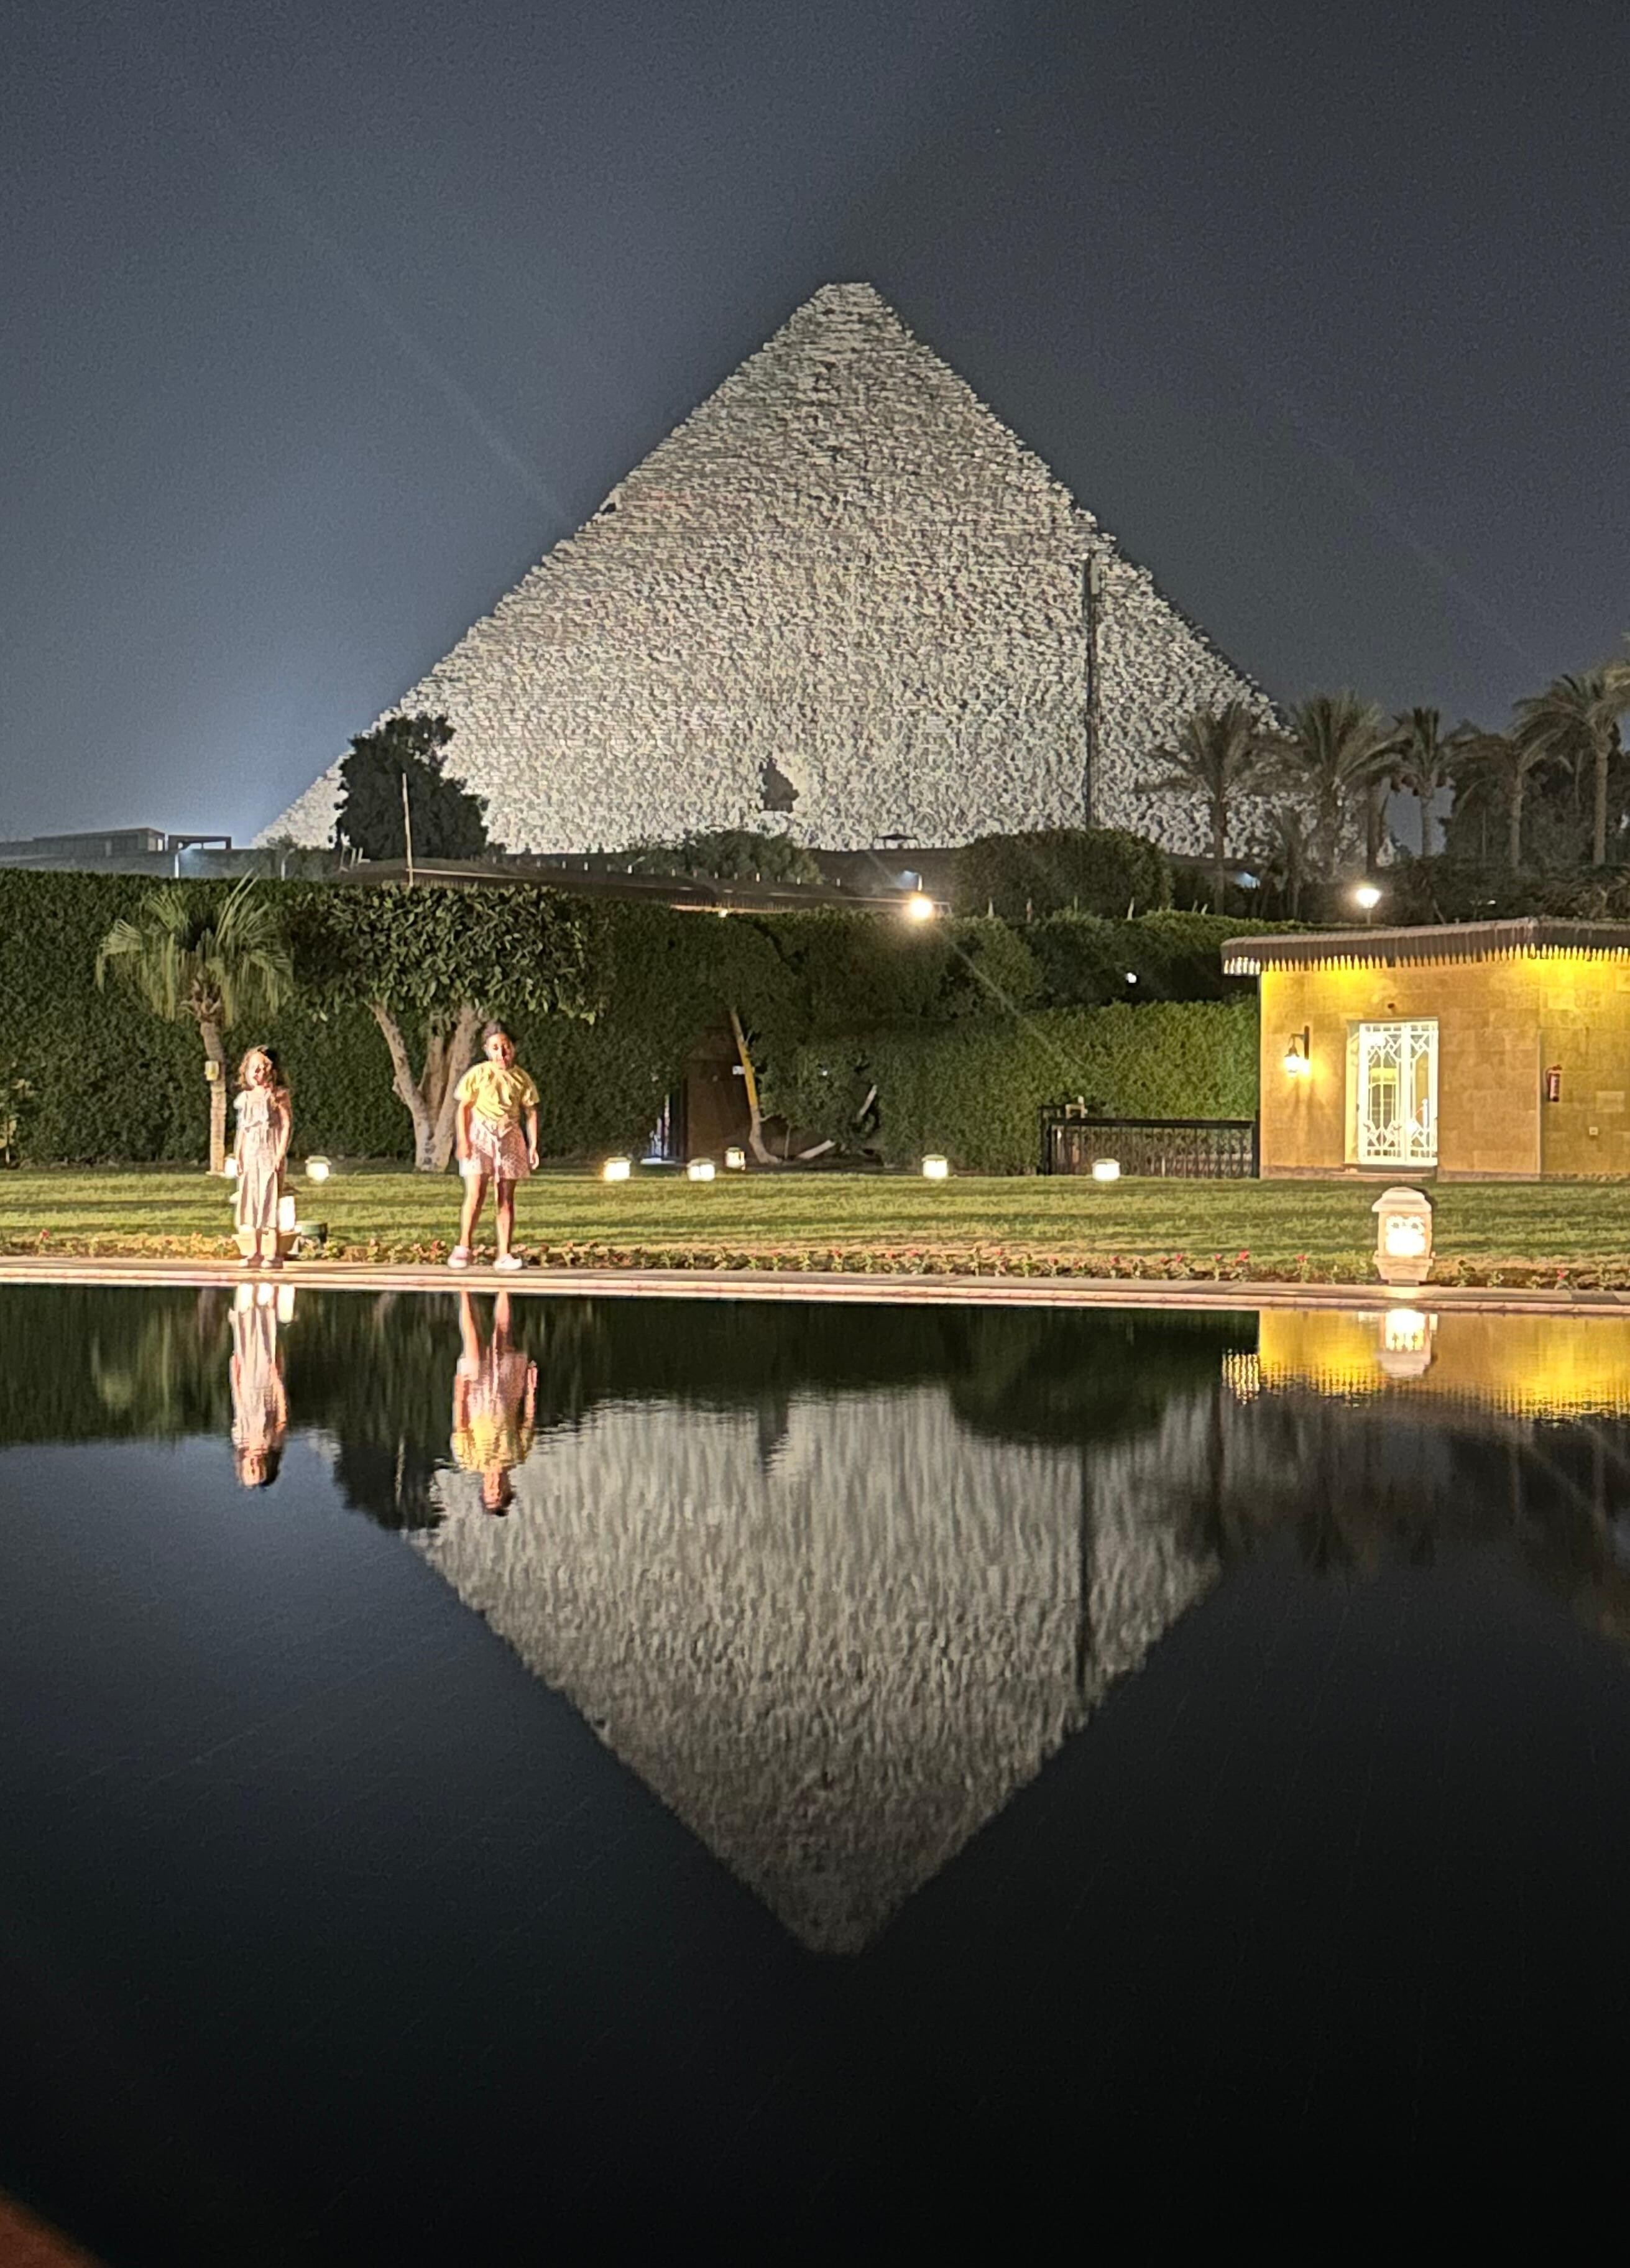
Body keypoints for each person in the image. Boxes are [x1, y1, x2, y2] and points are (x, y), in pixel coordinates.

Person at [449, 1021, 539, 1270]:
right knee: (476, 1193)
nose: (502, 1053)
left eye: (506, 1046)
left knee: (506, 1198)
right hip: (480, 1135)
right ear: (487, 1050)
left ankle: (504, 1254)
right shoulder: (479, 1074)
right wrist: (464, 1140)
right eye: (496, 1048)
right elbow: (464, 1108)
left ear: (513, 1048)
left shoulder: (521, 1078)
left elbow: (531, 1111)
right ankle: (464, 1247)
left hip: (509, 1135)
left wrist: (532, 1146)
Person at [451, 1289, 536, 1513]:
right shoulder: (518, 1455)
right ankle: (504, 1285)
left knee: (472, 1342)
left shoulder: (469, 1460)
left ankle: (465, 1289)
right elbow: (528, 1420)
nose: (496, 1486)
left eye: (491, 1492)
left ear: (483, 1490)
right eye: (500, 1492)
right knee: (502, 1338)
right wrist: (530, 1389)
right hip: (506, 1397)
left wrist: (460, 1392)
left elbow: (460, 1425)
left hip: (475, 1400)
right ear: (509, 1487)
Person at [233, 1043, 292, 1270]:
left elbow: (286, 1125)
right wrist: (238, 1155)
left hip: (269, 1152)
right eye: (253, 1069)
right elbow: (243, 1130)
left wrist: (280, 1153)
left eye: (262, 1069)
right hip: (251, 1154)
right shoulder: (246, 1098)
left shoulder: (277, 1096)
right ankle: (254, 1251)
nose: (257, 1074)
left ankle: (274, 1253)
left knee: (269, 1199)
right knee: (252, 1200)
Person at [230, 1279, 288, 1487]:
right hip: (266, 1387)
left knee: (246, 1339)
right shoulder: (271, 1443)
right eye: (256, 1471)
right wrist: (278, 1382)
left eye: (250, 1470)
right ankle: (266, 1288)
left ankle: (247, 1289)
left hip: (247, 1386)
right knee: (265, 1343)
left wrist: (234, 1376)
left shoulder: (239, 1440)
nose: (253, 1466)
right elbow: (282, 1417)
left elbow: (238, 1406)